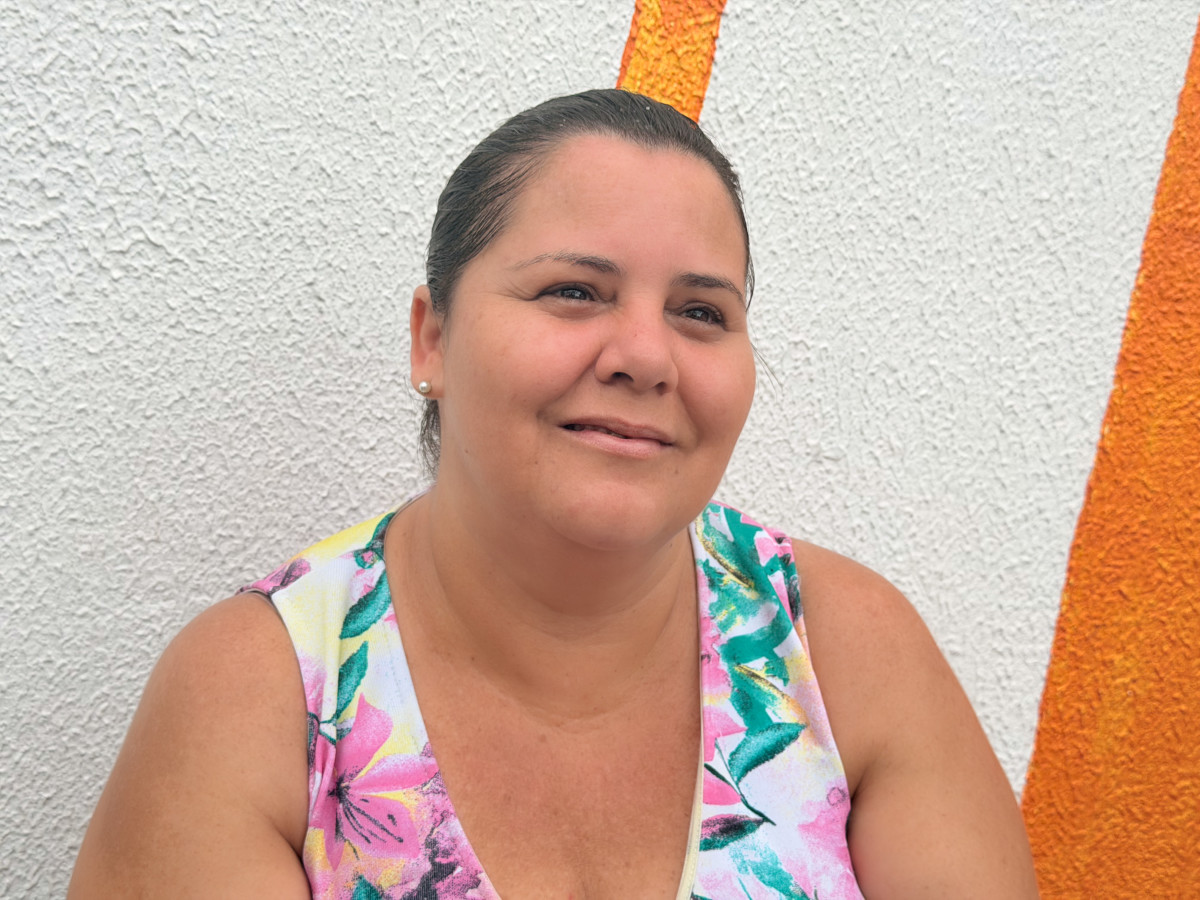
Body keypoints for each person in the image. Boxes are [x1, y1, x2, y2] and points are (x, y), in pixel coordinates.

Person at [69, 89, 1038, 899]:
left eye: (701, 311)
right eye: (574, 291)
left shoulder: (842, 652)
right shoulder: (260, 692)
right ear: (432, 339)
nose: (646, 356)